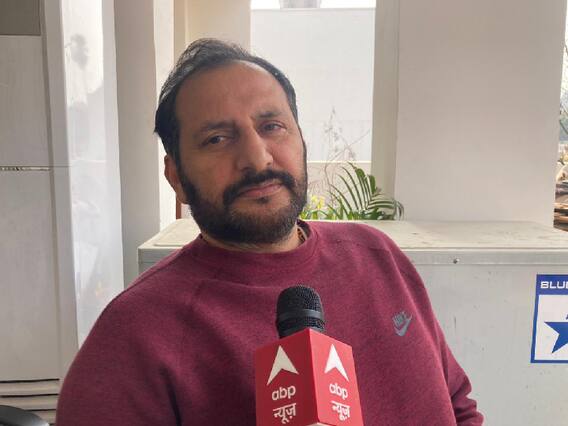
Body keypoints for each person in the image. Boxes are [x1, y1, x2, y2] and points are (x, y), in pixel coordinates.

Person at [56, 38, 483, 425]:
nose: (257, 158)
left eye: (271, 126)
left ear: (301, 140)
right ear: (177, 177)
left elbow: (457, 405)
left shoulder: (377, 254)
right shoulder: (134, 335)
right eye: (217, 139)